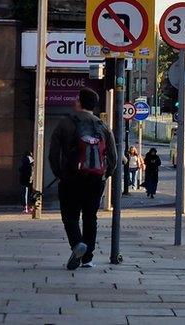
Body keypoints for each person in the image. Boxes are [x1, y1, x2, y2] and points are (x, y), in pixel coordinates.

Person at [48, 88, 116, 271]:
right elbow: (113, 157)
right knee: (90, 217)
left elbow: (53, 154)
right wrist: (104, 175)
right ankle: (87, 258)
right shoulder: (103, 126)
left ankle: (78, 244)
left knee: (70, 216)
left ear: (79, 102)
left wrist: (60, 174)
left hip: (70, 178)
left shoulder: (65, 124)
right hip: (95, 180)